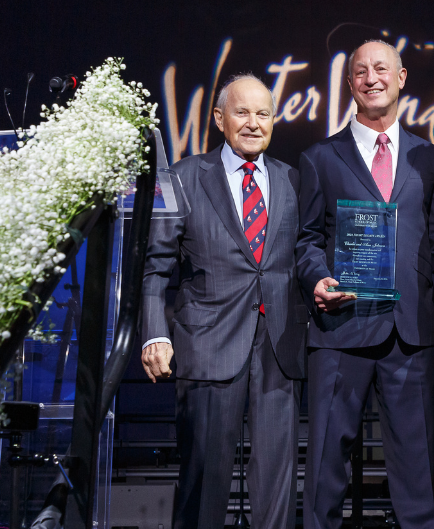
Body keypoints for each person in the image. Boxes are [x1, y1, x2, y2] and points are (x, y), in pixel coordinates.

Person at [140, 74, 308, 529]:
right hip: (208, 344)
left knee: (277, 485)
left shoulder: (293, 179)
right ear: (219, 118)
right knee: (203, 483)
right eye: (242, 112)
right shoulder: (183, 177)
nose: (253, 123)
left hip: (278, 348)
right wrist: (155, 332)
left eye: (263, 114)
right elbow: (155, 267)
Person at [296, 40, 434, 529]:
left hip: (410, 336)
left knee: (417, 473)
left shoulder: (431, 158)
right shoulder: (320, 157)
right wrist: (318, 277)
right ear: (349, 84)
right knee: (324, 472)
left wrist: (428, 300)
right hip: (341, 328)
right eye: (360, 72)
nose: (371, 78)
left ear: (401, 78)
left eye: (381, 68)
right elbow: (306, 239)